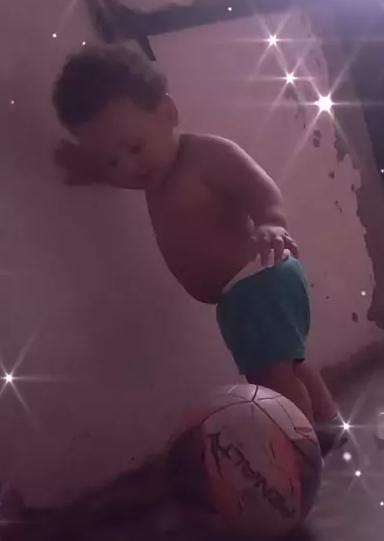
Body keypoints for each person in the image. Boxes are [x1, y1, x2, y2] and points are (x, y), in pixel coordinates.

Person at [52, 43, 345, 454]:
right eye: (111, 161)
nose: (128, 168)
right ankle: (327, 422)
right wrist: (92, 171)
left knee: (271, 376)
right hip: (240, 293)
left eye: (134, 148)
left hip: (261, 277)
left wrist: (270, 222)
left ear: (167, 113)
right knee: (286, 362)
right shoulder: (153, 174)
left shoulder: (204, 156)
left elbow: (258, 187)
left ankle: (297, 454)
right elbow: (121, 170)